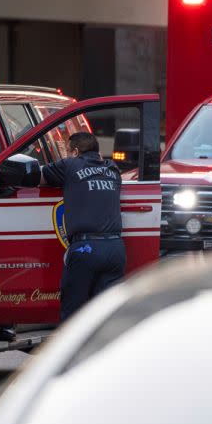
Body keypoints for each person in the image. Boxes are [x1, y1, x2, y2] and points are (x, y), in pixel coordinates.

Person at [41, 132, 126, 322]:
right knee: (108, 316)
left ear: (75, 152)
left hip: (85, 249)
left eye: (66, 150)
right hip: (115, 249)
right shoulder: (113, 169)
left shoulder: (70, 165)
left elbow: (37, 177)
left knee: (73, 318)